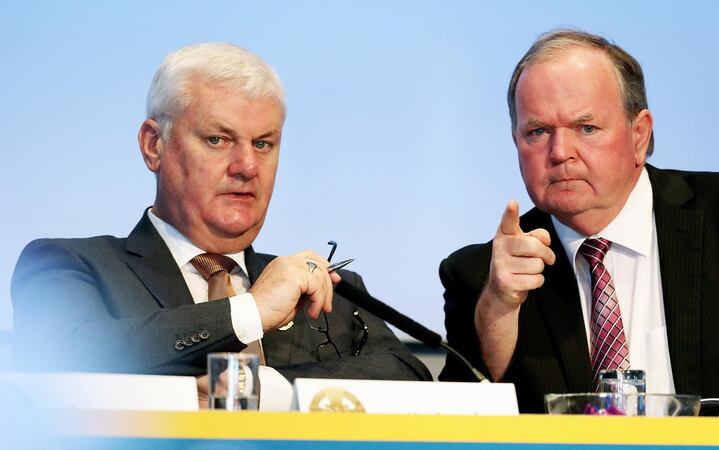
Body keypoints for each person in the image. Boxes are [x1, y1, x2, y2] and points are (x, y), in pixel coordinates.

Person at [11, 43, 431, 394]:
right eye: (218, 139)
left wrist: (255, 391)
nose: (248, 166)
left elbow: (408, 378)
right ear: (154, 145)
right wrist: (249, 310)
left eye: (264, 144)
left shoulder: (329, 293)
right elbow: (72, 358)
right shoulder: (67, 266)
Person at [438, 30, 719, 413]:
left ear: (640, 134)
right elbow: (460, 423)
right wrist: (499, 308)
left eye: (586, 128)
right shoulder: (481, 277)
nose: (560, 153)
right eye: (538, 131)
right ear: (516, 142)